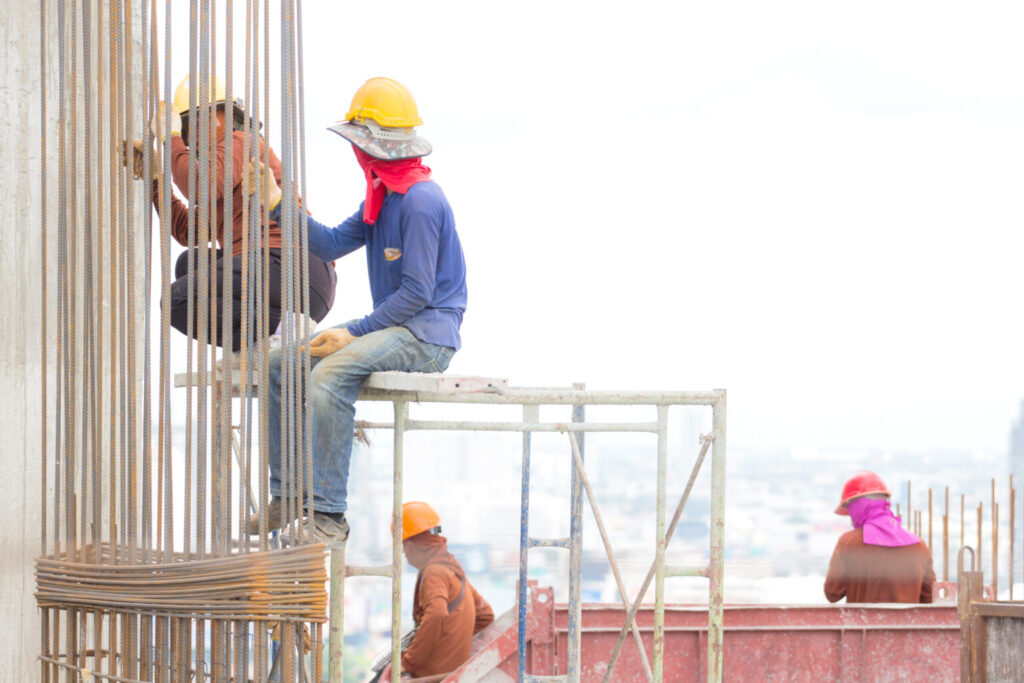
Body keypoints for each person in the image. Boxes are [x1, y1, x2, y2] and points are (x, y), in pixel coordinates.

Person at [247, 77, 467, 543]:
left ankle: (327, 514)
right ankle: (289, 493)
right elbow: (327, 243)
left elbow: (417, 293)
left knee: (329, 376)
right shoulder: (382, 195)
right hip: (394, 322)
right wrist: (277, 202)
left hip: (427, 335)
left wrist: (355, 333)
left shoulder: (421, 202)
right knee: (279, 364)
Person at [143, 75, 336, 350]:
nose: (188, 141)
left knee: (176, 300)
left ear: (218, 118)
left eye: (188, 128)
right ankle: (271, 333)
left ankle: (284, 326)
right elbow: (188, 230)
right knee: (189, 264)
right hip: (278, 276)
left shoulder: (242, 142)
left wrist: (169, 137)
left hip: (292, 266)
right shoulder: (222, 173)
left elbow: (198, 185)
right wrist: (155, 180)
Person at [377, 502, 494, 680]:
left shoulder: (434, 572)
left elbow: (436, 614)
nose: (405, 554)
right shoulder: (451, 568)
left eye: (404, 547)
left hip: (429, 676)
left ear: (412, 545)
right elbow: (485, 615)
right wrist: (453, 645)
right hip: (451, 674)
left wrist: (409, 662)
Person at [824, 470, 936, 604]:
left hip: (862, 624)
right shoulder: (919, 546)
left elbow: (832, 594)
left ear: (857, 507)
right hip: (907, 625)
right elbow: (929, 598)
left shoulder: (848, 543)